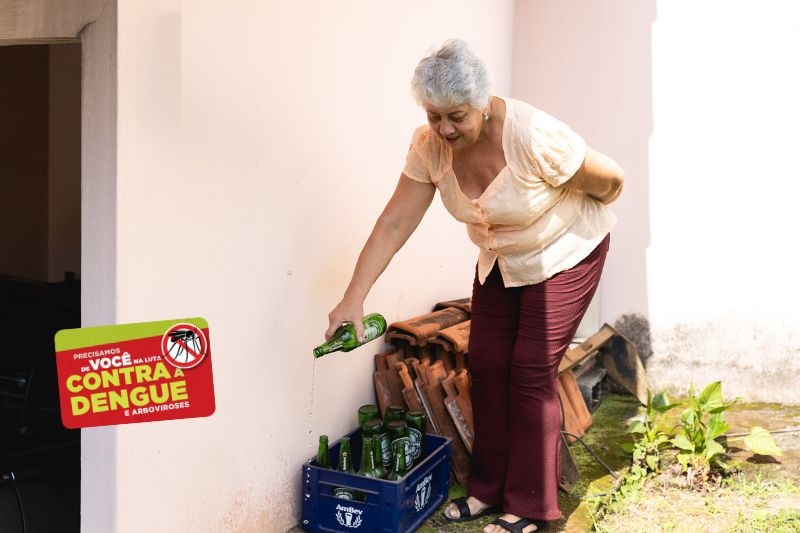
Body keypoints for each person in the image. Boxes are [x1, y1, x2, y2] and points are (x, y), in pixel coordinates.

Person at [324, 39, 623, 533]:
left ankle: (529, 506)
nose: (444, 128)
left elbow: (611, 180)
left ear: (483, 104)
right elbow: (395, 223)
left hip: (568, 249)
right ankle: (487, 490)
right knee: (485, 362)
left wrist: (588, 211)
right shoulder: (429, 148)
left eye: (456, 116)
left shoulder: (532, 135)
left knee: (529, 370)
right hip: (504, 257)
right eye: (433, 115)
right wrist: (354, 297)